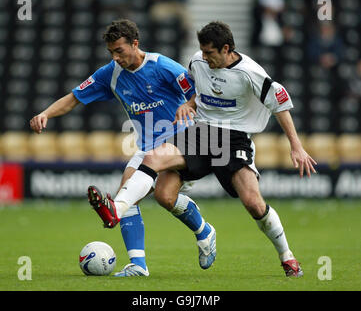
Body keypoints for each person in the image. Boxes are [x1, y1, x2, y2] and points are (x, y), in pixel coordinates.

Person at [99, 21, 317, 277]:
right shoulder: (197, 61)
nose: (204, 58)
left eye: (209, 53)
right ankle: (118, 208)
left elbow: (280, 104)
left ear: (226, 49)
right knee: (157, 170)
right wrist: (189, 104)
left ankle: (287, 256)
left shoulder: (250, 73)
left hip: (234, 139)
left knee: (254, 204)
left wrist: (296, 146)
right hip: (201, 132)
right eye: (202, 52)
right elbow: (198, 89)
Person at [29, 19, 216, 277]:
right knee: (162, 197)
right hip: (148, 146)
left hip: (181, 140)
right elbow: (74, 98)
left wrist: (191, 109)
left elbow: (199, 92)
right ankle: (197, 235)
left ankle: (137, 257)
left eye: (120, 50)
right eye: (111, 52)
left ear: (135, 44)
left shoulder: (162, 67)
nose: (115, 57)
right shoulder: (110, 74)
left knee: (126, 193)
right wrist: (46, 113)